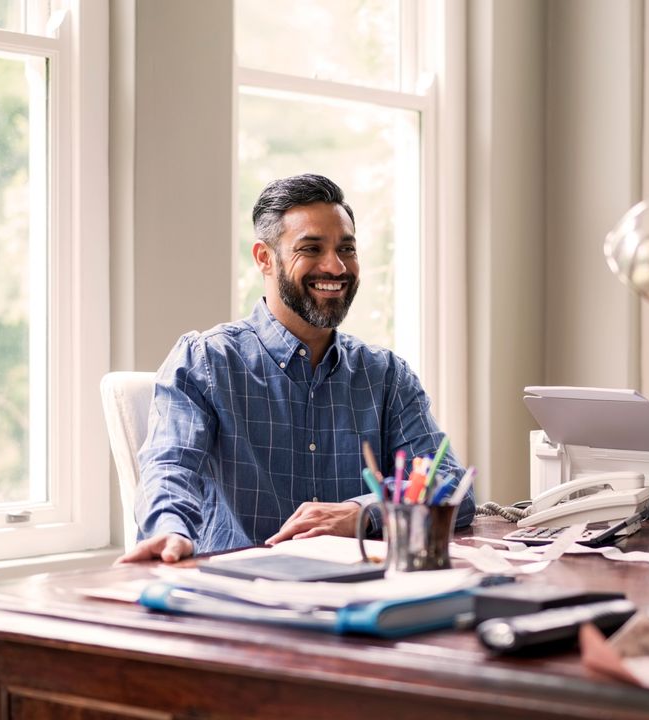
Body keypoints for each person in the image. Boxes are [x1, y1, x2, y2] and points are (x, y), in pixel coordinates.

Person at [118, 173, 474, 563]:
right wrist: (169, 531)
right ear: (264, 258)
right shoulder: (206, 361)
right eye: (311, 248)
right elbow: (170, 466)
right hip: (244, 598)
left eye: (347, 249)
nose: (336, 267)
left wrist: (362, 512)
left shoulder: (386, 375)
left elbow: (452, 487)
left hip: (360, 594)